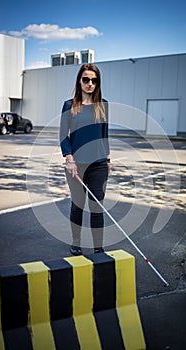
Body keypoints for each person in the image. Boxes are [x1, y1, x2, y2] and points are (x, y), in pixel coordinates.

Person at [60, 64, 111, 256]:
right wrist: (69, 157)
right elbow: (63, 135)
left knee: (97, 205)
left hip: (98, 164)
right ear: (79, 81)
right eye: (86, 79)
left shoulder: (103, 105)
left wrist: (107, 159)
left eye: (94, 80)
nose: (90, 83)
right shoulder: (69, 105)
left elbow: (104, 134)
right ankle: (76, 242)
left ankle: (98, 246)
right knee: (78, 204)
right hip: (76, 164)